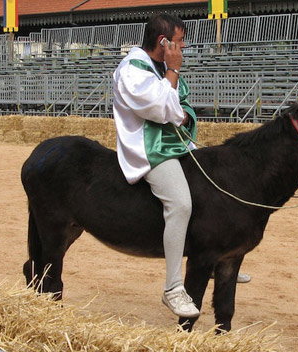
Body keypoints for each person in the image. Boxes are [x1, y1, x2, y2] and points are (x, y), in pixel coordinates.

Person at [112, 14, 199, 318]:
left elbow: (180, 107)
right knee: (180, 203)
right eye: (178, 41)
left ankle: (207, 259)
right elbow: (164, 111)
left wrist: (178, 107)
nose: (183, 46)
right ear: (163, 42)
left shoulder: (158, 67)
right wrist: (173, 70)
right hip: (149, 148)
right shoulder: (132, 71)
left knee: (209, 182)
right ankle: (173, 288)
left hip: (172, 141)